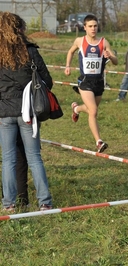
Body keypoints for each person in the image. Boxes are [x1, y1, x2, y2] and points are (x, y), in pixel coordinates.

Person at [0, 12, 53, 212]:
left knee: (8, 159)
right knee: (34, 157)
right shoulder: (30, 52)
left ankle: (9, 204)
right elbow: (47, 81)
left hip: (4, 113)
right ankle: (45, 203)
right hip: (28, 112)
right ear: (19, 29)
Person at [65, 14, 118, 153]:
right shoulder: (79, 41)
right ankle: (99, 142)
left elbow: (116, 61)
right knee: (93, 111)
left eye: (95, 26)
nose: (93, 28)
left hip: (99, 82)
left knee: (90, 110)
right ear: (85, 28)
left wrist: (110, 56)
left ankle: (76, 109)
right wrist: (67, 66)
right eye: (90, 26)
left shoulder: (104, 42)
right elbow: (70, 52)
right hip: (85, 82)